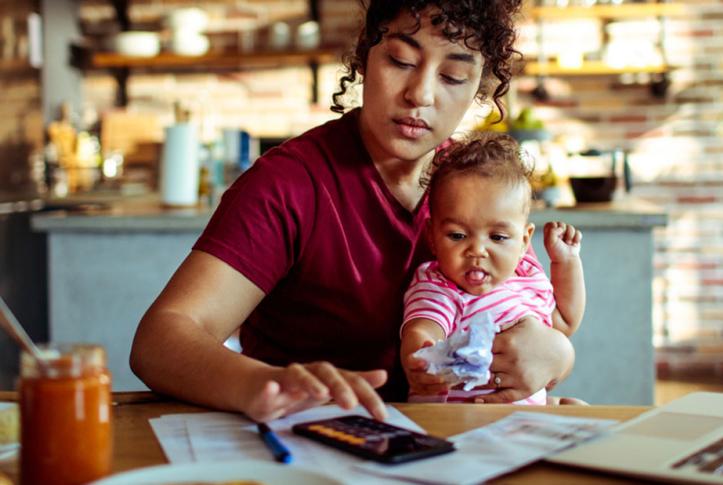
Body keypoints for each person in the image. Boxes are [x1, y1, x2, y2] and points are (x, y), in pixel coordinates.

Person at [130, 0, 577, 423]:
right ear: (366, 56)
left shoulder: (481, 186)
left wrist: (557, 355)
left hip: (455, 437)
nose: (420, 94)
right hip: (313, 434)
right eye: (401, 61)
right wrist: (264, 384)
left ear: (479, 88)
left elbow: (530, 309)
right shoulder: (290, 184)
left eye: (454, 77)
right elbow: (161, 341)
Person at [400, 132, 585, 404]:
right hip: (464, 420)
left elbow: (565, 323)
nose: (477, 250)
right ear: (432, 237)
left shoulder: (526, 277)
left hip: (523, 419)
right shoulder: (440, 285)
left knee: (578, 409)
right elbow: (424, 327)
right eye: (458, 235)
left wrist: (566, 263)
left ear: (524, 241)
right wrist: (420, 355)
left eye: (497, 237)